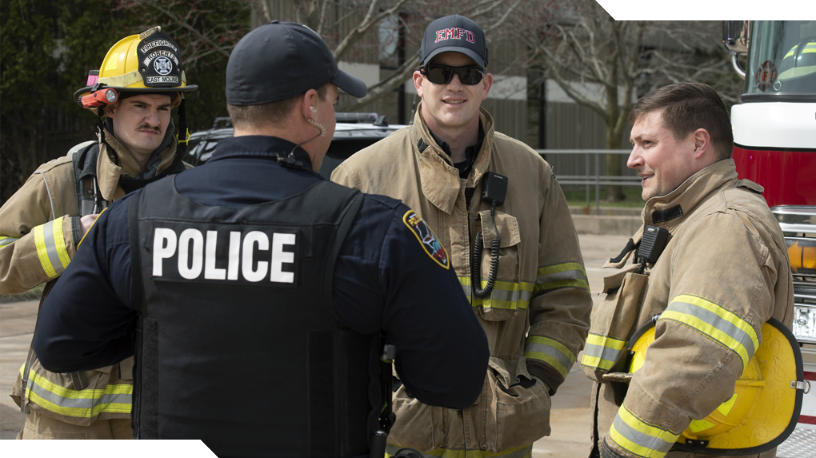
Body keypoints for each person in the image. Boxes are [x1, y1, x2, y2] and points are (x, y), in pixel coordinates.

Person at [32, 20, 490, 456]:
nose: (332, 116)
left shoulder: (135, 219)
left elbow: (60, 345)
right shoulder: (375, 229)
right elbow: (455, 381)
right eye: (332, 101)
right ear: (311, 105)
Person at [331, 14, 593, 458]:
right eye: (440, 72)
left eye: (468, 73)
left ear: (487, 83)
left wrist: (537, 382)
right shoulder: (361, 176)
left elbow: (565, 296)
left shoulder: (533, 174)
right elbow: (335, 315)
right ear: (418, 81)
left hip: (504, 437)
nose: (454, 85)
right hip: (404, 436)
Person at [0, 27, 196, 440]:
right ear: (108, 108)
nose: (154, 119)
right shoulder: (60, 183)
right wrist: (70, 238)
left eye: (163, 107)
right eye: (139, 104)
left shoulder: (197, 190)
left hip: (159, 410)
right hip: (63, 417)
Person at [581, 82, 794, 458]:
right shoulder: (679, 218)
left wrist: (621, 451)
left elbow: (692, 357)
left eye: (647, 144)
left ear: (698, 144)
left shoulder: (724, 225)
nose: (632, 159)